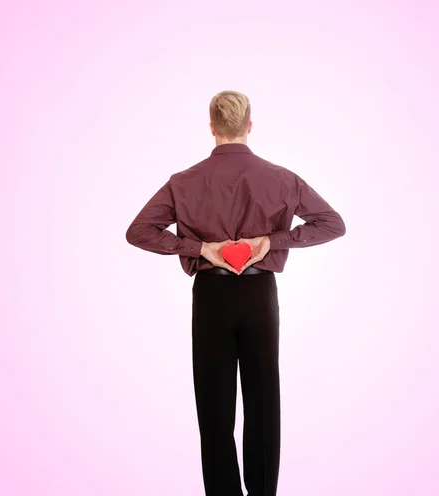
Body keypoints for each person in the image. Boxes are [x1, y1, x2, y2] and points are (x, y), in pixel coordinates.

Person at [125, 90, 346, 496]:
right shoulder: (282, 178)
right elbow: (332, 223)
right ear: (249, 126)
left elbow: (138, 232)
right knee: (264, 401)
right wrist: (273, 241)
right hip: (259, 296)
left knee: (214, 407)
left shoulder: (183, 182)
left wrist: (202, 248)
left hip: (211, 297)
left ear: (211, 128)